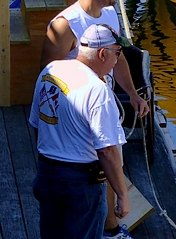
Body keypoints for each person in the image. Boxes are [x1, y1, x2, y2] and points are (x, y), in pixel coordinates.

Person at [41, 0, 149, 239]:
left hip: (102, 98)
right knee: (104, 161)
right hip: (76, 110)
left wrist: (133, 95)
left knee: (108, 165)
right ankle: (108, 228)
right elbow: (47, 76)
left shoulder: (110, 14)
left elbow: (119, 58)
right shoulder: (66, 25)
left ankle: (110, 227)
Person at [31, 24, 131, 239]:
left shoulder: (50, 71)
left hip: (47, 173)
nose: (117, 60)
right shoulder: (97, 89)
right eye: (117, 53)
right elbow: (107, 150)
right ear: (103, 54)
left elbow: (37, 125)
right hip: (81, 183)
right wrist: (122, 194)